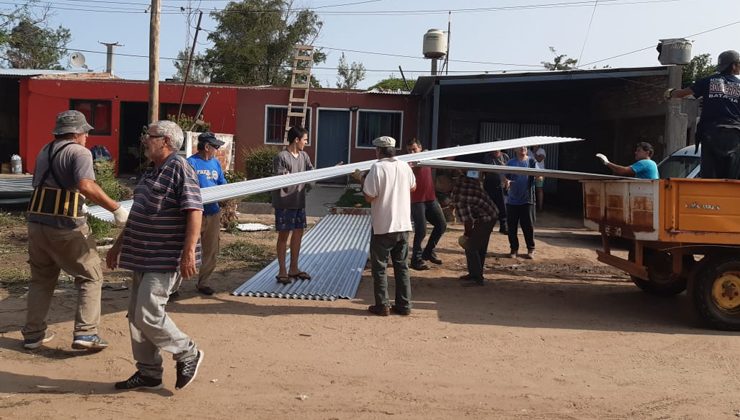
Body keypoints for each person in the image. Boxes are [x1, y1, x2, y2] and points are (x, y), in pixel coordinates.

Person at [107, 120, 204, 391]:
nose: (145, 140)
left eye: (149, 136)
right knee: (136, 317)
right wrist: (118, 245)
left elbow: (195, 211)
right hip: (142, 255)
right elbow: (138, 214)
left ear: (166, 141)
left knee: (148, 312)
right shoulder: (152, 172)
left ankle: (187, 351)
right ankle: (149, 372)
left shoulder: (180, 168)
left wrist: (188, 253)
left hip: (165, 256)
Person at [22, 110, 128, 351]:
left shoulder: (44, 150)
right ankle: (86, 333)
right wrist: (116, 208)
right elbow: (85, 185)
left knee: (41, 280)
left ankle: (33, 334)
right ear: (78, 133)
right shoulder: (80, 152)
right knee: (91, 275)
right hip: (66, 225)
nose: (87, 137)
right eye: (86, 132)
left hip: (37, 224)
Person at [363, 136, 416, 316]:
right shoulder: (404, 166)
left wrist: (361, 181)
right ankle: (404, 305)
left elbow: (369, 196)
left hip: (383, 225)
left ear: (378, 151)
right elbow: (413, 187)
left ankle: (382, 305)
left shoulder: (377, 168)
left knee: (380, 267)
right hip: (403, 224)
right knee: (402, 266)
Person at [666, 50, 740, 179]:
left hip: (710, 134)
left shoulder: (708, 81)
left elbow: (683, 93)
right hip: (735, 136)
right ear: (733, 65)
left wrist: (670, 93)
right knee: (732, 178)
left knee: (709, 177)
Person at [186, 132, 227, 296]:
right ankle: (173, 286)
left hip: (213, 212)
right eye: (215, 146)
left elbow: (222, 184)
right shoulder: (190, 163)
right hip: (195, 213)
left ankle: (203, 282)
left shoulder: (215, 163)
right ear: (207, 147)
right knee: (186, 248)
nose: (217, 149)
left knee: (211, 249)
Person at [272, 126, 314, 284]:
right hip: (284, 203)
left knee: (298, 233)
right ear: (296, 140)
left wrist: (331, 171)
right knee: (284, 235)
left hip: (299, 202)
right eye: (305, 140)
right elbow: (282, 179)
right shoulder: (281, 157)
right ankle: (282, 270)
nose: (306, 143)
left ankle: (294, 268)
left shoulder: (304, 156)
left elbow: (312, 172)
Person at [405, 138, 447, 270]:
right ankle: (416, 260)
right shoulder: (406, 162)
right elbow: (413, 170)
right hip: (416, 201)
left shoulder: (427, 157)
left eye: (414, 149)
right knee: (421, 230)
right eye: (409, 150)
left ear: (420, 148)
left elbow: (445, 160)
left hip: (430, 198)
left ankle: (428, 252)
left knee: (441, 225)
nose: (412, 152)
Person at [451, 169, 498, 286]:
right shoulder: (462, 180)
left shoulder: (458, 196)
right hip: (489, 212)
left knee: (470, 246)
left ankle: (477, 277)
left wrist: (467, 234)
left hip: (486, 217)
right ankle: (475, 273)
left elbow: (468, 220)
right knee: (479, 246)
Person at [505, 146, 536, 259]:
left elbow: (539, 175)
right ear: (515, 150)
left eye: (525, 147)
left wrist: (540, 177)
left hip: (527, 199)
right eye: (520, 147)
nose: (523, 148)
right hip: (512, 199)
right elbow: (506, 177)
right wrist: (507, 182)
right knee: (512, 227)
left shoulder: (531, 161)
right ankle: (514, 249)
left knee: (528, 226)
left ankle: (531, 249)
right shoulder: (510, 163)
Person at [483, 149, 509, 234]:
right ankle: (488, 227)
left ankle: (503, 226)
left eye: (497, 149)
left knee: (503, 206)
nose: (495, 151)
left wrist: (507, 180)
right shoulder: (487, 157)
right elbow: (485, 170)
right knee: (489, 206)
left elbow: (508, 170)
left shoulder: (505, 156)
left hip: (501, 184)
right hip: (489, 184)